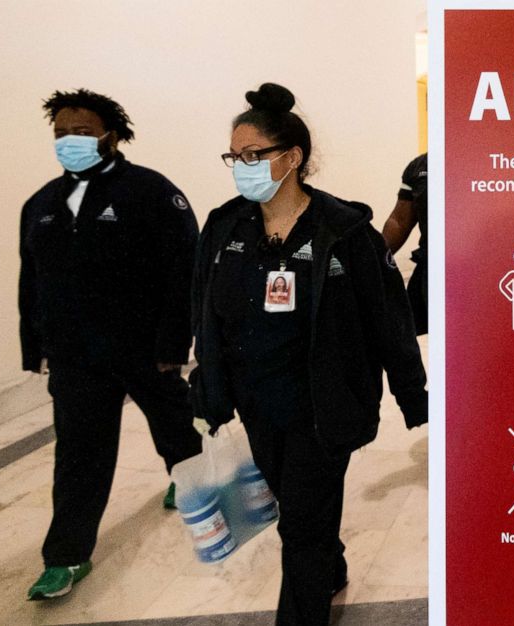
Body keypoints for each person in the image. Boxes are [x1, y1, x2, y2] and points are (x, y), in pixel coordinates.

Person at [190, 83, 428, 625]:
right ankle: (330, 561)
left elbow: (389, 320)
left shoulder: (344, 232)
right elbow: (204, 309)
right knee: (298, 508)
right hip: (257, 401)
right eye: (234, 156)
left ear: (292, 158)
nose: (241, 166)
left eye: (254, 155)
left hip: (324, 403)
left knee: (300, 523)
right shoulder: (225, 226)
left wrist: (413, 395)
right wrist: (208, 385)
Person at [18, 89, 202, 600]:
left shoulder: (150, 191)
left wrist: (174, 340)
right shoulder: (41, 204)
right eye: (61, 134)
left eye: (81, 132)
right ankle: (66, 557)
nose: (70, 142)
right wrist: (35, 344)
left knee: (174, 424)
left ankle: (189, 482)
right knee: (79, 454)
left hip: (145, 347)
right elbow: (31, 279)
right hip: (77, 355)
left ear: (112, 135)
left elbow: (182, 268)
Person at [382, 153, 428, 334]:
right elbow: (400, 221)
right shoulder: (420, 167)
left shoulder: (497, 160)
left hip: (479, 271)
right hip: (431, 270)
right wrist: (374, 258)